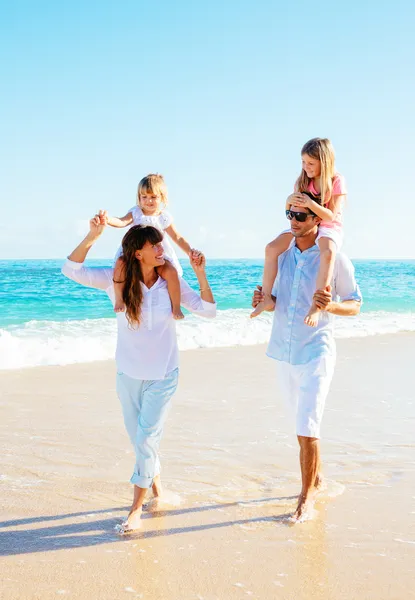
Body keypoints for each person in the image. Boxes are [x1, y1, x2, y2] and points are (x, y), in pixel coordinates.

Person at [61, 212, 216, 532]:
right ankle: (158, 491)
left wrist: (201, 275)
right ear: (137, 253)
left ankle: (135, 510)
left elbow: (209, 312)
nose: (162, 249)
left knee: (145, 439)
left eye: (162, 243)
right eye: (155, 245)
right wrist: (93, 236)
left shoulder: (171, 281)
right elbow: (70, 269)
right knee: (141, 441)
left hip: (163, 376)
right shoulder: (115, 279)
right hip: (128, 375)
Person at [252, 199, 362, 523]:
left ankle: (306, 498)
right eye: (289, 213)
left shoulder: (334, 258)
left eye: (299, 215)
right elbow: (275, 304)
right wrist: (264, 300)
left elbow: (355, 304)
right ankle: (318, 480)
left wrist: (329, 306)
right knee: (303, 427)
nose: (292, 220)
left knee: (307, 427)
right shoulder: (282, 256)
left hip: (317, 350)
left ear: (318, 219)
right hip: (285, 355)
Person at [251, 138, 347, 326]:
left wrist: (311, 204)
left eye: (311, 163)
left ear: (324, 162)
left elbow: (330, 216)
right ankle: (267, 298)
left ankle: (316, 305)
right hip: (305, 222)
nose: (306, 167)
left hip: (328, 226)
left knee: (327, 253)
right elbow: (292, 210)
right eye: (303, 162)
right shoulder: (303, 180)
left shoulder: (336, 181)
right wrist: (288, 200)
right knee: (271, 248)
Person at [104, 173, 200, 319]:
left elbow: (177, 237)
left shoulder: (163, 217)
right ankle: (119, 298)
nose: (149, 201)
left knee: (171, 272)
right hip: (136, 253)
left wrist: (190, 251)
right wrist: (108, 219)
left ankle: (176, 307)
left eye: (153, 197)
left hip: (157, 255)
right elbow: (122, 222)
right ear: (139, 198)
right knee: (120, 264)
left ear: (162, 198)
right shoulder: (135, 213)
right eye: (144, 197)